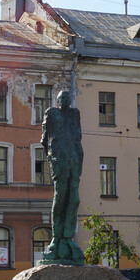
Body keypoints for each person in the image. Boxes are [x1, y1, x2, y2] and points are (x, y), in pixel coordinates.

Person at [40, 90, 84, 264]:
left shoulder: (75, 114)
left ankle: (68, 237)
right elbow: (44, 139)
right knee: (60, 197)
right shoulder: (51, 113)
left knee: (74, 199)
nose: (65, 101)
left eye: (67, 98)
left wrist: (79, 156)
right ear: (57, 101)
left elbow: (78, 136)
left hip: (74, 157)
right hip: (59, 158)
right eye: (62, 99)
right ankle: (56, 238)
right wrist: (51, 157)